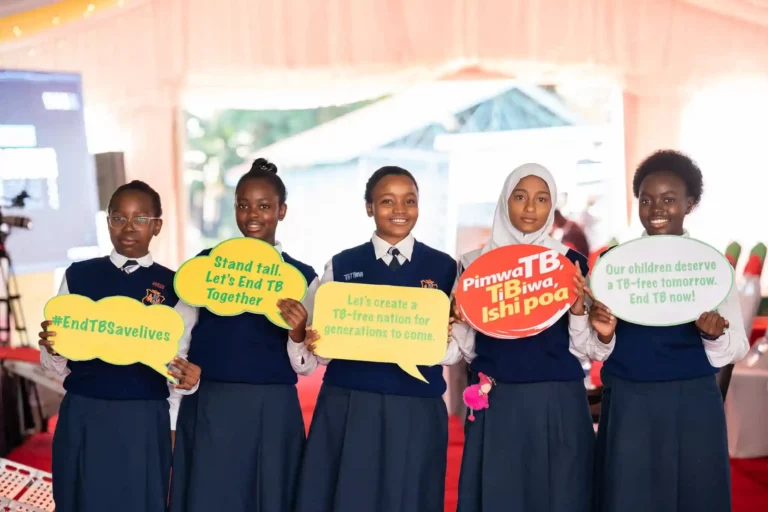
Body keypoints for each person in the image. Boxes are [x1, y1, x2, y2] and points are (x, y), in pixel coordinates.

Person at [590, 150, 749, 512]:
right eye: (647, 200)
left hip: (691, 403)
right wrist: (603, 334)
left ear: (690, 204)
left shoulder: (710, 266)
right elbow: (594, 349)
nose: (656, 208)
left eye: (669, 199)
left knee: (692, 497)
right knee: (628, 499)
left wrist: (713, 334)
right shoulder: (614, 266)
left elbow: (736, 346)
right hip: (630, 401)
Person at [294, 166, 460, 512]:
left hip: (417, 404)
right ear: (369, 207)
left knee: (411, 496)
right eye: (387, 201)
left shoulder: (446, 268)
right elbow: (314, 356)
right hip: (350, 402)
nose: (400, 210)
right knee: (348, 495)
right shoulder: (340, 267)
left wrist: (445, 336)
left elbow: (457, 351)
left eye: (409, 201)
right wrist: (306, 338)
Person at [453, 163, 612, 512]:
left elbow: (588, 348)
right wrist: (455, 319)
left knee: (562, 495)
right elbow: (459, 351)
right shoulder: (472, 265)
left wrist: (579, 310)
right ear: (504, 202)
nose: (530, 208)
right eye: (520, 197)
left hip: (559, 402)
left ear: (552, 205)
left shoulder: (570, 263)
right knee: (500, 496)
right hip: (499, 404)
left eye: (541, 199)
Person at [38, 180, 202, 512]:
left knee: (138, 500)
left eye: (140, 219)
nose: (128, 228)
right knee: (78, 497)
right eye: (118, 217)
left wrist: (188, 383)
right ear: (108, 221)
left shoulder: (175, 288)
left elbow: (177, 363)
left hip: (143, 416)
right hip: (84, 411)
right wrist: (53, 349)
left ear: (156, 225)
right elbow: (54, 362)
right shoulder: (79, 276)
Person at [169, 158, 319, 512]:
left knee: (269, 498)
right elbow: (176, 341)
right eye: (243, 205)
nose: (253, 215)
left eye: (265, 206)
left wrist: (297, 332)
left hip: (273, 411)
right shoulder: (204, 267)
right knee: (209, 498)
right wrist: (183, 383)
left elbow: (308, 367)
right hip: (210, 406)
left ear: (282, 211)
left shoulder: (302, 277)